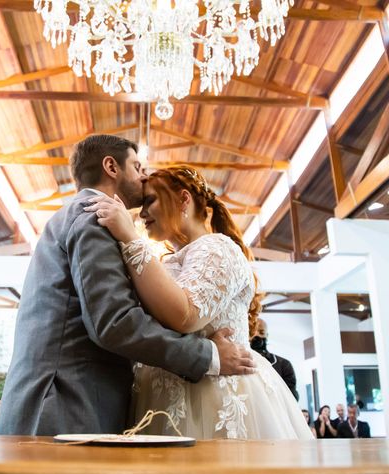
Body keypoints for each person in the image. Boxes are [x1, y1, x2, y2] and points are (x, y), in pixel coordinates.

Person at [0, 135, 255, 436]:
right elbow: (114, 322)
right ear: (111, 167)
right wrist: (207, 356)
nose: (143, 175)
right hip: (66, 402)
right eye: (137, 166)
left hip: (73, 398)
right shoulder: (94, 217)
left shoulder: (89, 218)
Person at [85, 165, 313, 439]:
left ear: (184, 199)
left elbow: (187, 315)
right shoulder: (166, 262)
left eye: (150, 201)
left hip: (212, 398)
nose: (142, 214)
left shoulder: (218, 247)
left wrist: (131, 239)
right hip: (162, 401)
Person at [250, 318, 299, 400]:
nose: (256, 335)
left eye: (261, 332)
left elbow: (292, 396)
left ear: (266, 335)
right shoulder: (239, 363)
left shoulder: (284, 365)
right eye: (251, 332)